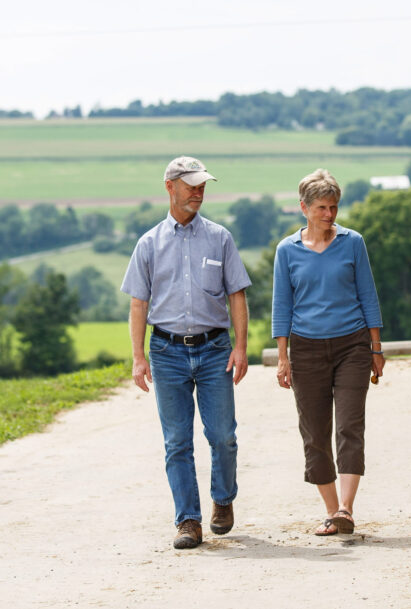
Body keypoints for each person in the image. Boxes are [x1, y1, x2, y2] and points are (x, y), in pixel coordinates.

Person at [121, 156, 251, 550]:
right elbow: (138, 304)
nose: (199, 191)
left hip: (214, 350)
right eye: (191, 184)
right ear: (170, 187)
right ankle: (188, 521)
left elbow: (237, 295)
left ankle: (223, 499)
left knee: (223, 436)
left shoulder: (220, 238)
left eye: (202, 185)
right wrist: (138, 357)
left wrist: (241, 347)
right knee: (177, 441)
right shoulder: (149, 244)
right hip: (166, 351)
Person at [271, 168, 384, 536]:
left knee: (350, 426)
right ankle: (331, 509)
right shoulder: (287, 251)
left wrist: (376, 348)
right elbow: (282, 306)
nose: (329, 215)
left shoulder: (353, 243)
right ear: (303, 208)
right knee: (315, 434)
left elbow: (368, 295)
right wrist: (283, 357)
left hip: (352, 345)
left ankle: (347, 510)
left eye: (333, 207)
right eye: (321, 207)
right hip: (305, 350)